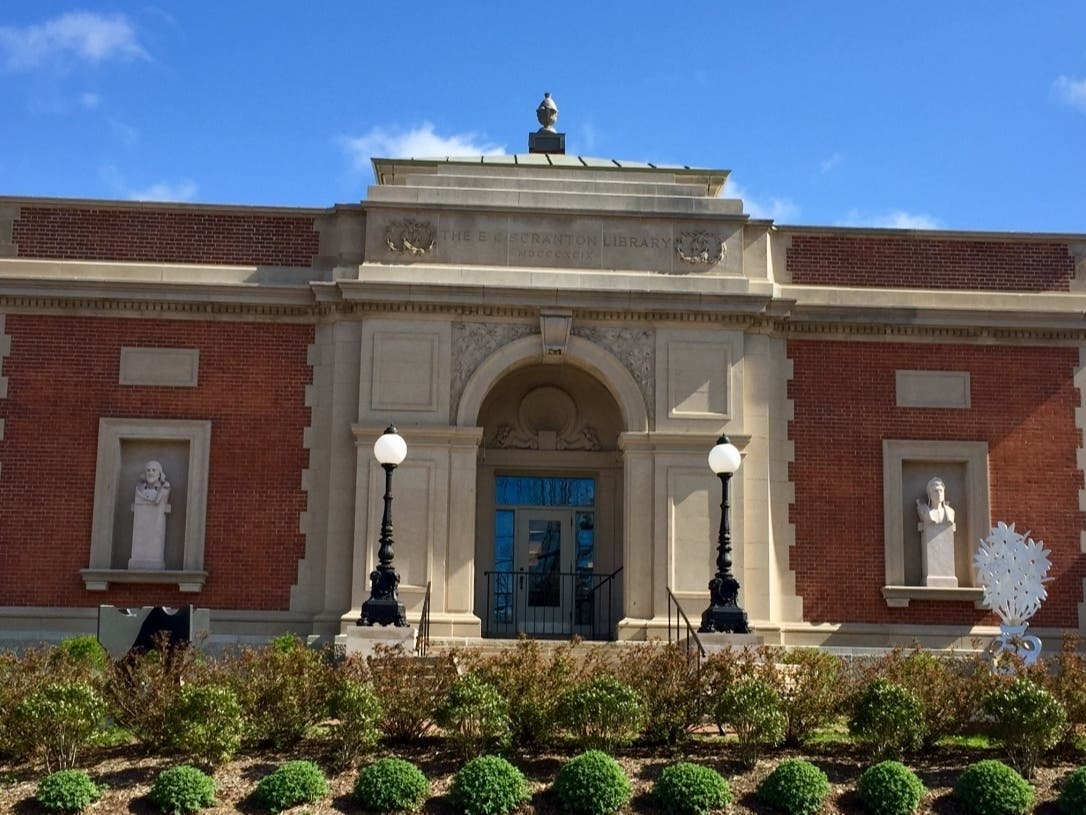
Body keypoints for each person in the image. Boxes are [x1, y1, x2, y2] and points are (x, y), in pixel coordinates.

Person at [130, 460, 170, 569]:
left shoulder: (164, 490)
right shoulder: (139, 489)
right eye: (148, 470)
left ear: (160, 474)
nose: (150, 473)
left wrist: (162, 491)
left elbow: (158, 500)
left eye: (153, 470)